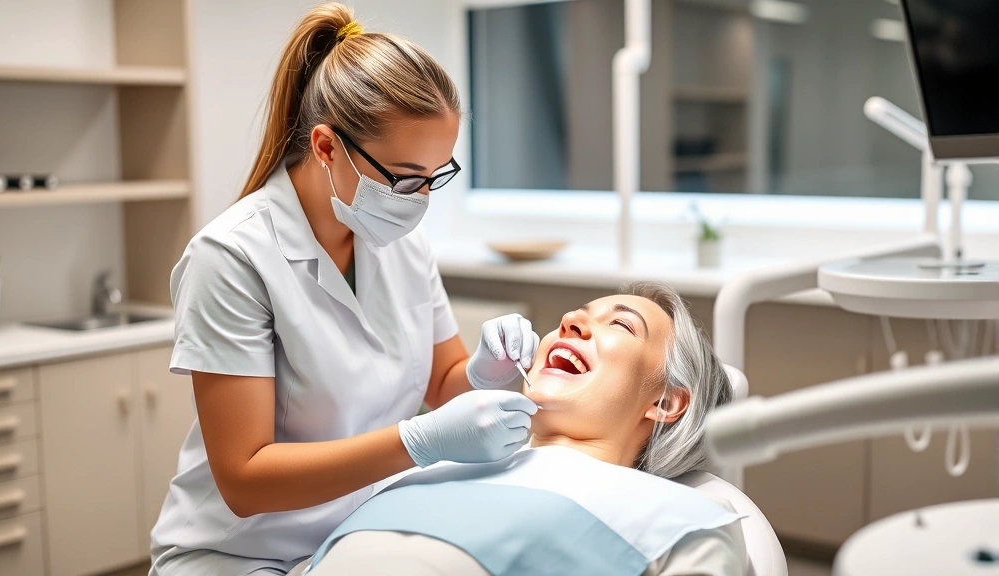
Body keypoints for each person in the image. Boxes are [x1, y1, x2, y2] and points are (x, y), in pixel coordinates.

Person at [150, 4, 541, 575]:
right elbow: (245, 479)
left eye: (435, 177)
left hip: (356, 533)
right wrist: (420, 441)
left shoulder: (400, 240)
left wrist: (486, 370)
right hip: (241, 553)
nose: (420, 201)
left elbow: (442, 381)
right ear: (327, 147)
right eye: (404, 178)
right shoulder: (232, 257)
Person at [296, 281, 746, 576]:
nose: (570, 321)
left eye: (621, 324)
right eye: (578, 313)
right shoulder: (430, 465)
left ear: (665, 402)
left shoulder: (680, 519)